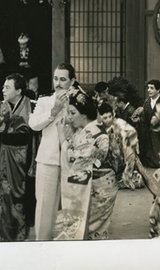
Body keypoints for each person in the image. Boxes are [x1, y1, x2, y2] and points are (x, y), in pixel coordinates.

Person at [55, 90, 118, 240]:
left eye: (72, 113)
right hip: (93, 184)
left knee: (91, 229)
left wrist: (62, 137)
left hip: (99, 188)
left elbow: (75, 159)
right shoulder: (86, 130)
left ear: (83, 114)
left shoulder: (95, 134)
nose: (69, 118)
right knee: (88, 229)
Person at [0, 73, 35, 241]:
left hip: (20, 161)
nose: (3, 90)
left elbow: (31, 137)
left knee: (17, 196)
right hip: (2, 159)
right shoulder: (1, 107)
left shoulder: (30, 107)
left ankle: (15, 233)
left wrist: (3, 132)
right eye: (3, 87)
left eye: (7, 87)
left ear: (18, 91)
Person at [28, 62, 76, 240]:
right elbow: (33, 124)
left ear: (72, 81)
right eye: (56, 78)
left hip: (72, 160)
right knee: (44, 206)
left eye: (63, 79)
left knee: (73, 205)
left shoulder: (78, 101)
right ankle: (42, 244)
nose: (58, 83)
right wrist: (53, 111)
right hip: (48, 159)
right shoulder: (43, 101)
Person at [97, 102, 143, 190]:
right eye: (105, 118)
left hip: (123, 158)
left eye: (110, 116)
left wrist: (128, 171)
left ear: (113, 114)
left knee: (136, 181)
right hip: (110, 160)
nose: (108, 120)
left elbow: (131, 136)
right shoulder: (99, 126)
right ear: (100, 117)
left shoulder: (119, 124)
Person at [132, 79, 160, 168]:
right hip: (147, 133)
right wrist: (138, 119)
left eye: (152, 88)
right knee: (148, 157)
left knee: (159, 157)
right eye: (148, 88)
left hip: (159, 134)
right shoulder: (147, 102)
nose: (149, 90)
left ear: (158, 90)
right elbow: (144, 118)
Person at [16, 33, 39, 98]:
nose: (22, 46)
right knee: (22, 90)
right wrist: (26, 63)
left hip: (32, 74)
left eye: (24, 44)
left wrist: (23, 64)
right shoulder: (17, 51)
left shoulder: (32, 51)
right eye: (21, 44)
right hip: (22, 74)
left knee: (33, 90)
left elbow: (33, 62)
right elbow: (16, 62)